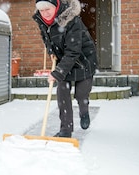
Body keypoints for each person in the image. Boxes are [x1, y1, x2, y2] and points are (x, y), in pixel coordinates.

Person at [33, 0, 98, 138]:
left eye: (47, 9)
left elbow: (73, 52)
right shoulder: (42, 20)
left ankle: (84, 112)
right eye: (41, 10)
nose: (45, 13)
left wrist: (58, 73)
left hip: (84, 61)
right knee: (62, 94)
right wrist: (51, 51)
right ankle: (66, 131)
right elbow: (47, 38)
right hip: (64, 61)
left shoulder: (71, 20)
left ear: (56, 6)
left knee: (81, 95)